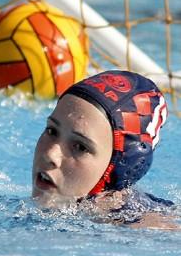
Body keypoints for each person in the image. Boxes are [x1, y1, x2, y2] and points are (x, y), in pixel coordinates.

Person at [32, 70, 176, 228]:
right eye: (52, 131)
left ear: (117, 168)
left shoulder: (146, 229)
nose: (50, 155)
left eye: (80, 147)